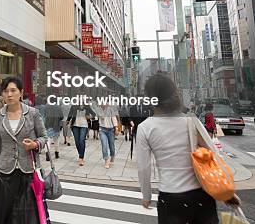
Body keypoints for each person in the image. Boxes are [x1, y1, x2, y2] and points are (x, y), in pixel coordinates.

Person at [136, 73, 240, 223]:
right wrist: (227, 192)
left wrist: (146, 196)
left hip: (171, 197)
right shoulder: (190, 120)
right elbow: (214, 153)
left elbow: (143, 168)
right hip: (201, 195)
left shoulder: (145, 128)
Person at [0, 76, 48, 224]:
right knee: (4, 215)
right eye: (5, 91)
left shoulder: (33, 113)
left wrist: (34, 144)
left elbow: (44, 137)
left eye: (13, 90)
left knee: (26, 218)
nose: (9, 95)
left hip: (28, 173)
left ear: (21, 92)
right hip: (5, 173)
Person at [94, 103, 118, 168]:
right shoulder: (98, 110)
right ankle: (106, 160)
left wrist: (116, 128)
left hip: (111, 130)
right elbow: (95, 118)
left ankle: (112, 155)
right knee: (104, 145)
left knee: (112, 145)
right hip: (102, 129)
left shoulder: (110, 109)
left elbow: (114, 119)